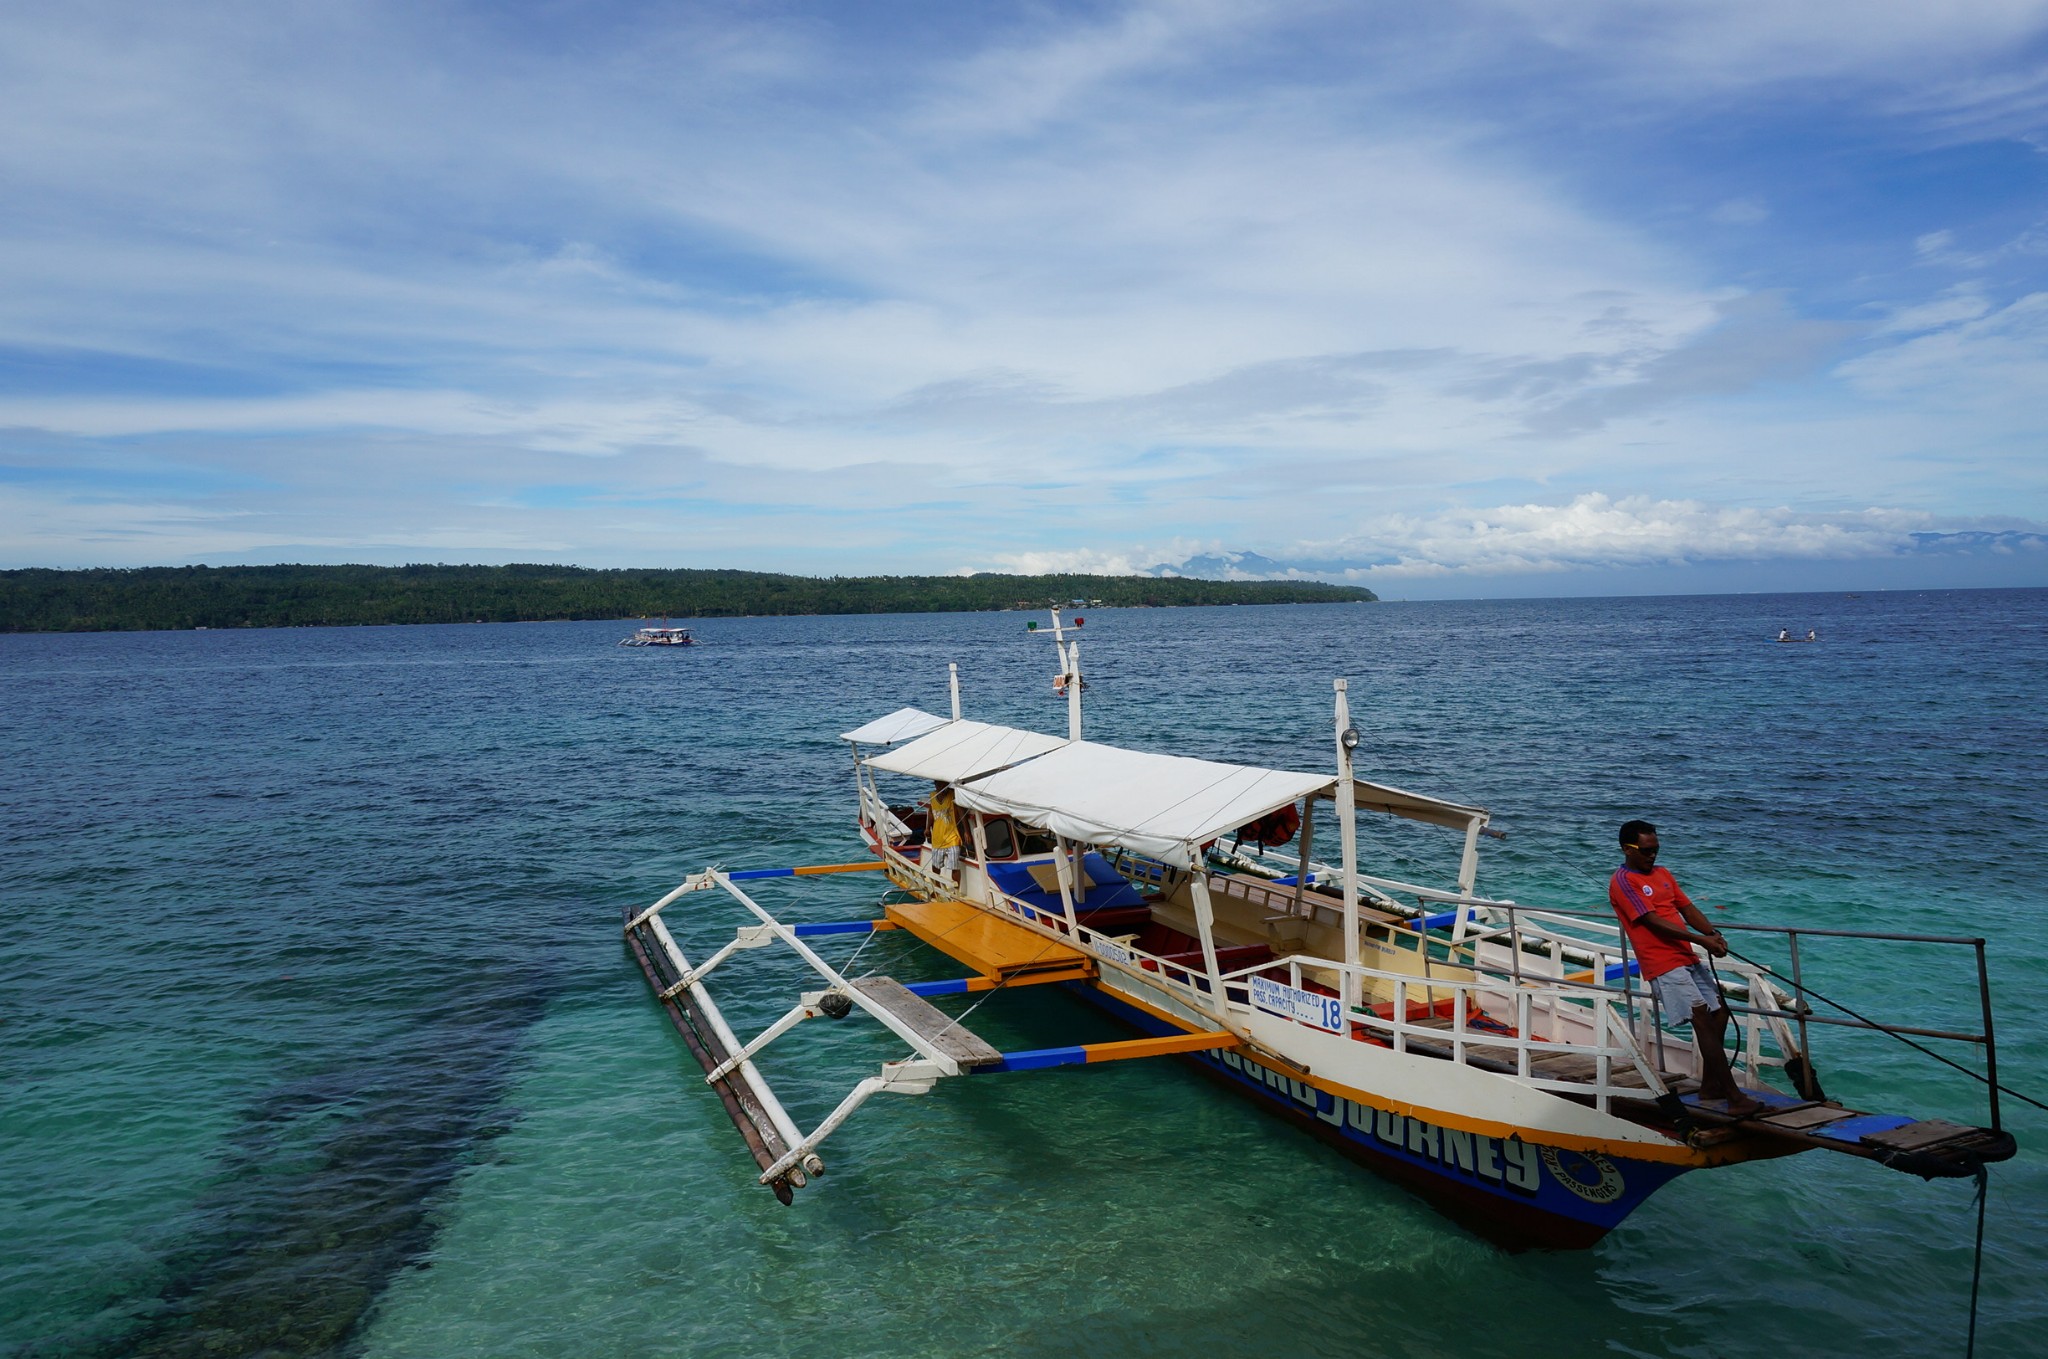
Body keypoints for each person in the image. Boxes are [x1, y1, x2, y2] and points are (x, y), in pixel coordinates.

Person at [1609, 820, 1762, 1116]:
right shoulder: (1623, 881)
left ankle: (1709, 1087)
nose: (1653, 855)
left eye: (1656, 849)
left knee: (1720, 1014)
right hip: (1661, 961)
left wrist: (1712, 934)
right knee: (1702, 1019)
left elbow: (1687, 909)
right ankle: (1734, 1097)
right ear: (1627, 849)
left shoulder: (1663, 874)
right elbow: (1652, 920)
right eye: (1646, 850)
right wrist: (1699, 940)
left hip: (1685, 956)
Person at [927, 782, 962, 887]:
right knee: (936, 865)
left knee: (954, 866)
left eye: (943, 785)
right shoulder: (932, 796)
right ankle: (936, 887)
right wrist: (927, 827)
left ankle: (957, 890)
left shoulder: (952, 795)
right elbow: (930, 812)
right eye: (939, 785)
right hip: (938, 837)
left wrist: (967, 832)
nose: (941, 788)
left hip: (953, 837)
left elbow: (961, 812)